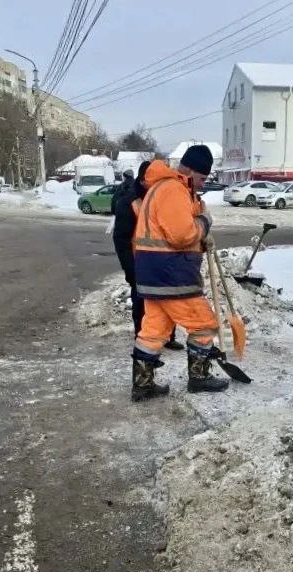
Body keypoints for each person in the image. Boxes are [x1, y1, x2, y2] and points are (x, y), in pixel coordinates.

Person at [130, 145, 229, 401]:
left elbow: (170, 232)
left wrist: (200, 240)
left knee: (154, 330)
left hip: (153, 274)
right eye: (203, 178)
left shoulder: (161, 187)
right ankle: (199, 378)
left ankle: (143, 384)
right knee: (204, 324)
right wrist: (205, 223)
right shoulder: (173, 189)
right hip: (172, 274)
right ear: (192, 170)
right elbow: (181, 235)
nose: (202, 184)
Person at [112, 162, 183, 350]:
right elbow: (121, 240)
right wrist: (130, 269)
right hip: (140, 263)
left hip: (164, 262)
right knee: (143, 303)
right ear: (144, 180)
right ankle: (143, 339)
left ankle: (168, 336)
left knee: (168, 300)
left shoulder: (164, 198)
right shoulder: (129, 202)